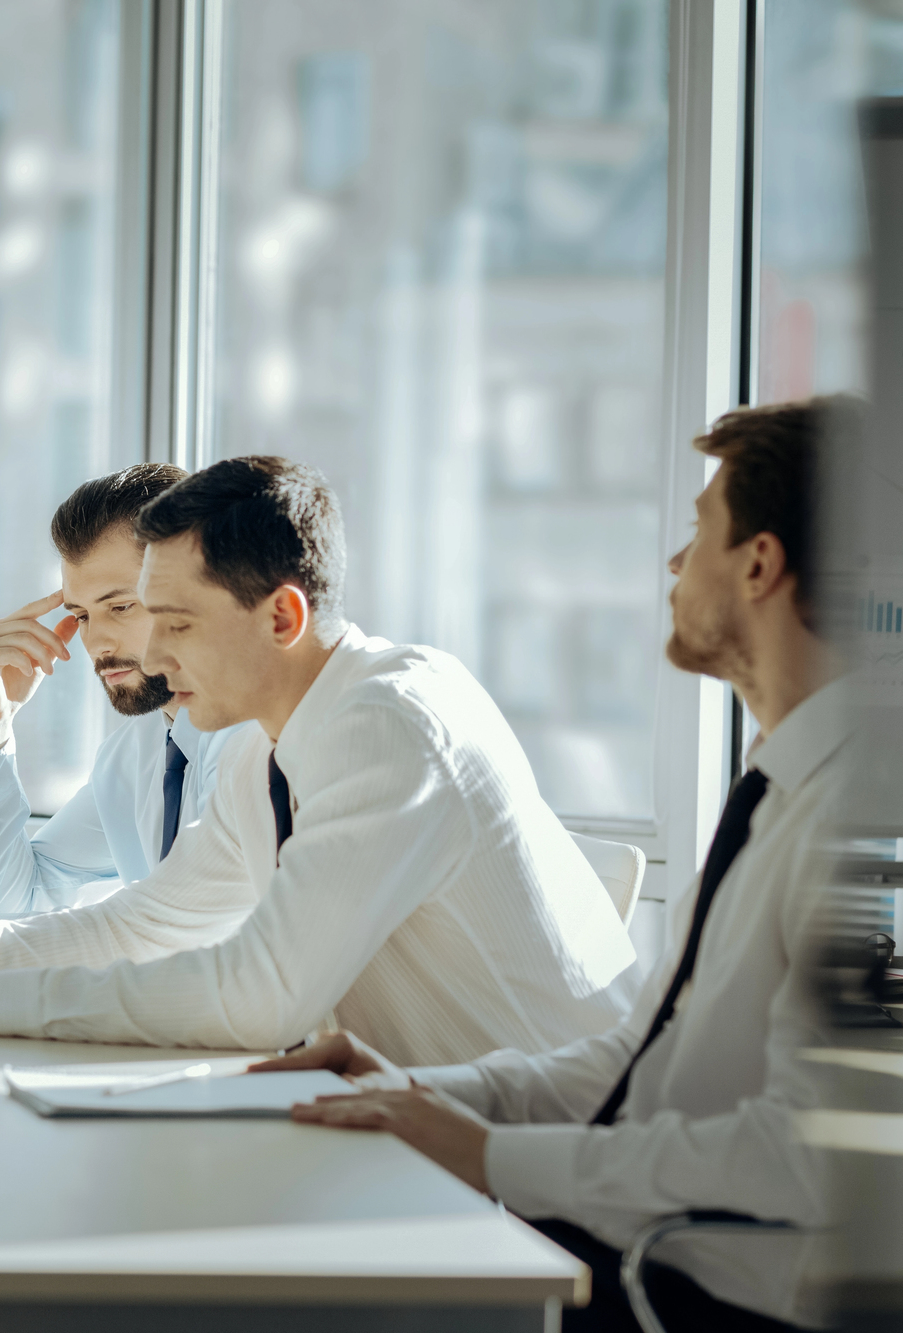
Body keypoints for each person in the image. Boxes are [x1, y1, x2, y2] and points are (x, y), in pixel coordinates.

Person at [262, 399, 850, 1331]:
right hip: (623, 1255)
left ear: (759, 563)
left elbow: (801, 1152)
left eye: (699, 530)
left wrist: (488, 1156)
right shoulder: (780, 792)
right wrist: (420, 1095)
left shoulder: (858, 820)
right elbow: (637, 1060)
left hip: (695, 1300)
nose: (673, 562)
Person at [0, 457, 636, 1064]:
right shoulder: (268, 751)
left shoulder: (389, 724)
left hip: (562, 1190)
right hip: (436, 1141)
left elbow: (259, 993)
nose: (148, 654)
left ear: (281, 617)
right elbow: (136, 925)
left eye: (178, 622)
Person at [0, 465, 248, 941]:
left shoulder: (251, 739)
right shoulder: (132, 758)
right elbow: (17, 900)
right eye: (80, 615)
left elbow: (188, 938)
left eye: (120, 607)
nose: (97, 641)